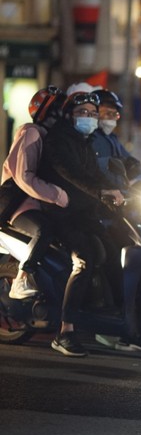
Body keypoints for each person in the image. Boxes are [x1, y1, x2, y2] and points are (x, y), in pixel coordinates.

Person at [38, 91, 124, 357]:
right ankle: (65, 331)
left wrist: (120, 191)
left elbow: (96, 174)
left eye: (91, 113)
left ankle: (108, 317)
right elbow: (71, 174)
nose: (88, 117)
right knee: (84, 258)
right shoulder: (60, 140)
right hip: (60, 212)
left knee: (114, 246)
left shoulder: (84, 140)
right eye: (81, 112)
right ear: (69, 115)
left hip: (83, 211)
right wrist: (100, 193)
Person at [2, 87, 69, 299]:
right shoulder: (31, 133)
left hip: (38, 203)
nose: (61, 114)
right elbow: (24, 177)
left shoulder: (52, 139)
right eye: (56, 108)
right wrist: (57, 195)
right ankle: (23, 278)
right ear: (44, 112)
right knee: (45, 230)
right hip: (20, 205)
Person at [90, 89, 141, 189]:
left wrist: (134, 165)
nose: (111, 118)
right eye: (107, 113)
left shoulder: (112, 138)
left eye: (115, 114)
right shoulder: (89, 137)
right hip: (96, 193)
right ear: (94, 112)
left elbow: (127, 160)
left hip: (117, 193)